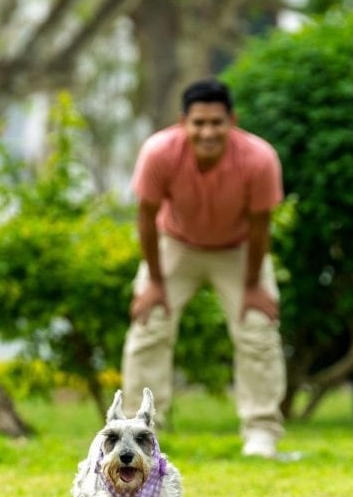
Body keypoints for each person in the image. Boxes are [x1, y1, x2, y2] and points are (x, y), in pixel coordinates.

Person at [122, 78, 289, 459]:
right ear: (183, 122)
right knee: (149, 326)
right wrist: (155, 283)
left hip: (239, 248)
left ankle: (261, 433)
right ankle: (138, 432)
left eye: (217, 122)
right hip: (175, 243)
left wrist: (252, 286)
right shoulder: (159, 152)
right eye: (199, 123)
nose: (208, 132)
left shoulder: (259, 158)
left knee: (257, 329)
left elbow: (261, 225)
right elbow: (146, 218)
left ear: (232, 120)